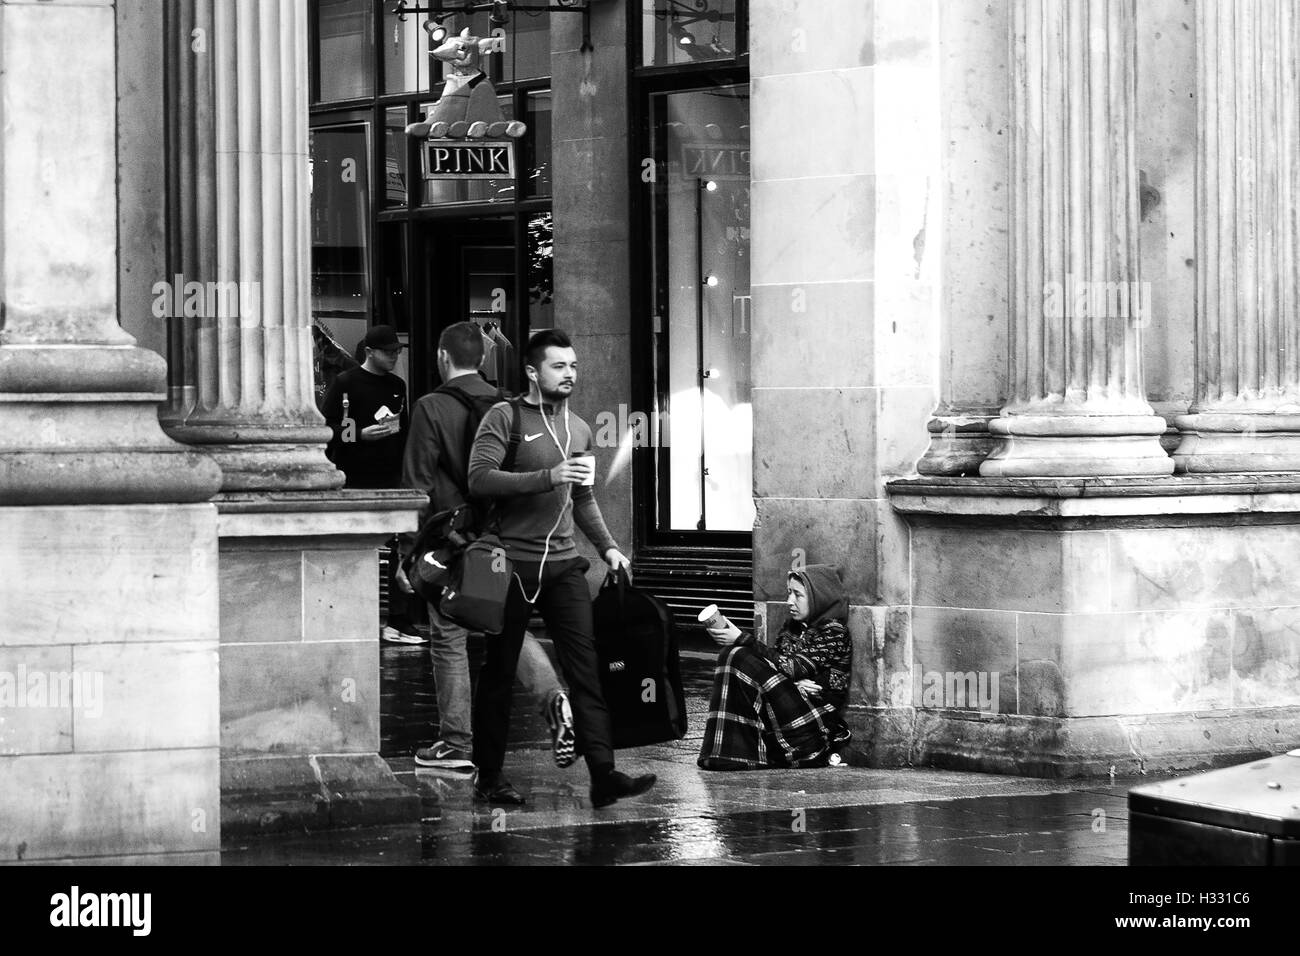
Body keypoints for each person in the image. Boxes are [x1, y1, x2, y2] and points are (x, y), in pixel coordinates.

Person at [466, 329, 657, 808]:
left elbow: (584, 496)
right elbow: (479, 478)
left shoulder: (580, 428)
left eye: (573, 365)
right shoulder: (503, 417)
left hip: (565, 565)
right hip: (505, 563)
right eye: (558, 366)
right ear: (533, 372)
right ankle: (489, 776)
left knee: (586, 670)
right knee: (499, 673)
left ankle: (603, 773)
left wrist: (609, 548)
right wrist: (547, 476)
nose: (569, 373)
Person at [398, 321, 577, 772]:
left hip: (450, 542)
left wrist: (406, 551)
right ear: (482, 358)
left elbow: (416, 484)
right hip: (502, 538)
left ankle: (456, 742)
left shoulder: (430, 407)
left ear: (443, 357)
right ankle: (554, 697)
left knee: (449, 635)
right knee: (505, 628)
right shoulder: (506, 406)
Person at [321, 325, 423, 644]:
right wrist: (358, 435)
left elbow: (403, 429)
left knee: (399, 545)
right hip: (353, 475)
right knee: (353, 544)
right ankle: (348, 614)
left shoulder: (397, 385)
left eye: (397, 351)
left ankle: (399, 619)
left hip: (391, 475)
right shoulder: (345, 382)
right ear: (370, 352)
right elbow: (328, 427)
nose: (394, 356)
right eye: (388, 351)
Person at [698, 564, 853, 770]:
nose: (790, 601)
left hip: (815, 729)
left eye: (798, 595)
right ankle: (727, 753)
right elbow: (778, 667)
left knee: (741, 655)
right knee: (731, 654)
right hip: (787, 714)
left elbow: (791, 667)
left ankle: (734, 752)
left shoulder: (835, 632)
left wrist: (743, 638)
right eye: (789, 593)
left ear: (819, 597)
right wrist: (794, 681)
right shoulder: (792, 628)